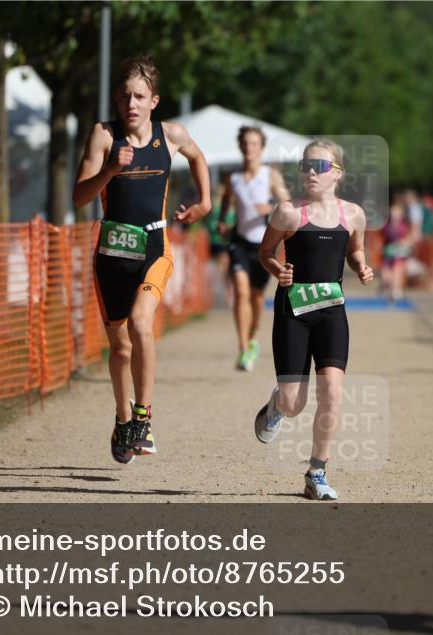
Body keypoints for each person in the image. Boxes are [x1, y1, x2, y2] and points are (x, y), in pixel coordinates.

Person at [73, 56, 210, 464]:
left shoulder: (171, 135)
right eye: (125, 96)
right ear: (117, 99)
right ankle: (122, 418)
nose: (131, 103)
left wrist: (204, 202)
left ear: (154, 101)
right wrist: (110, 170)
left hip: (154, 246)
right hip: (111, 253)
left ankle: (143, 417)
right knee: (119, 349)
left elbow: (198, 158)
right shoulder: (102, 136)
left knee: (141, 323)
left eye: (139, 96)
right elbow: (79, 197)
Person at [253, 139, 374, 500]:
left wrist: (362, 267)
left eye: (319, 167)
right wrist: (278, 270)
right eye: (305, 166)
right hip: (293, 310)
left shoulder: (353, 214)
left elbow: (354, 250)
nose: (310, 173)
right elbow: (265, 252)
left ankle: (317, 472)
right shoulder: (289, 212)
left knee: (333, 394)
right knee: (294, 405)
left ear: (337, 174)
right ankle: (277, 405)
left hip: (331, 311)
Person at [218, 126, 291, 371]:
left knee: (257, 297)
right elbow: (227, 198)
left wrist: (270, 207)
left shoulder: (270, 175)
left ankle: (253, 338)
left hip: (264, 247)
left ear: (261, 148)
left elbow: (286, 202)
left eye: (254, 144)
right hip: (239, 241)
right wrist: (221, 218)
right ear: (241, 147)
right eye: (246, 143)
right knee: (240, 291)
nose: (249, 148)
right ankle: (242, 348)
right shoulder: (233, 178)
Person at [380, 200, 412, 303]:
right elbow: (382, 238)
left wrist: (405, 242)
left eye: (397, 213)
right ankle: (391, 288)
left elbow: (409, 238)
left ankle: (396, 291)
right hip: (388, 252)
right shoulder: (387, 225)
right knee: (386, 277)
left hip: (399, 253)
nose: (395, 215)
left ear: (401, 214)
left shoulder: (404, 226)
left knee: (397, 270)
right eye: (393, 212)